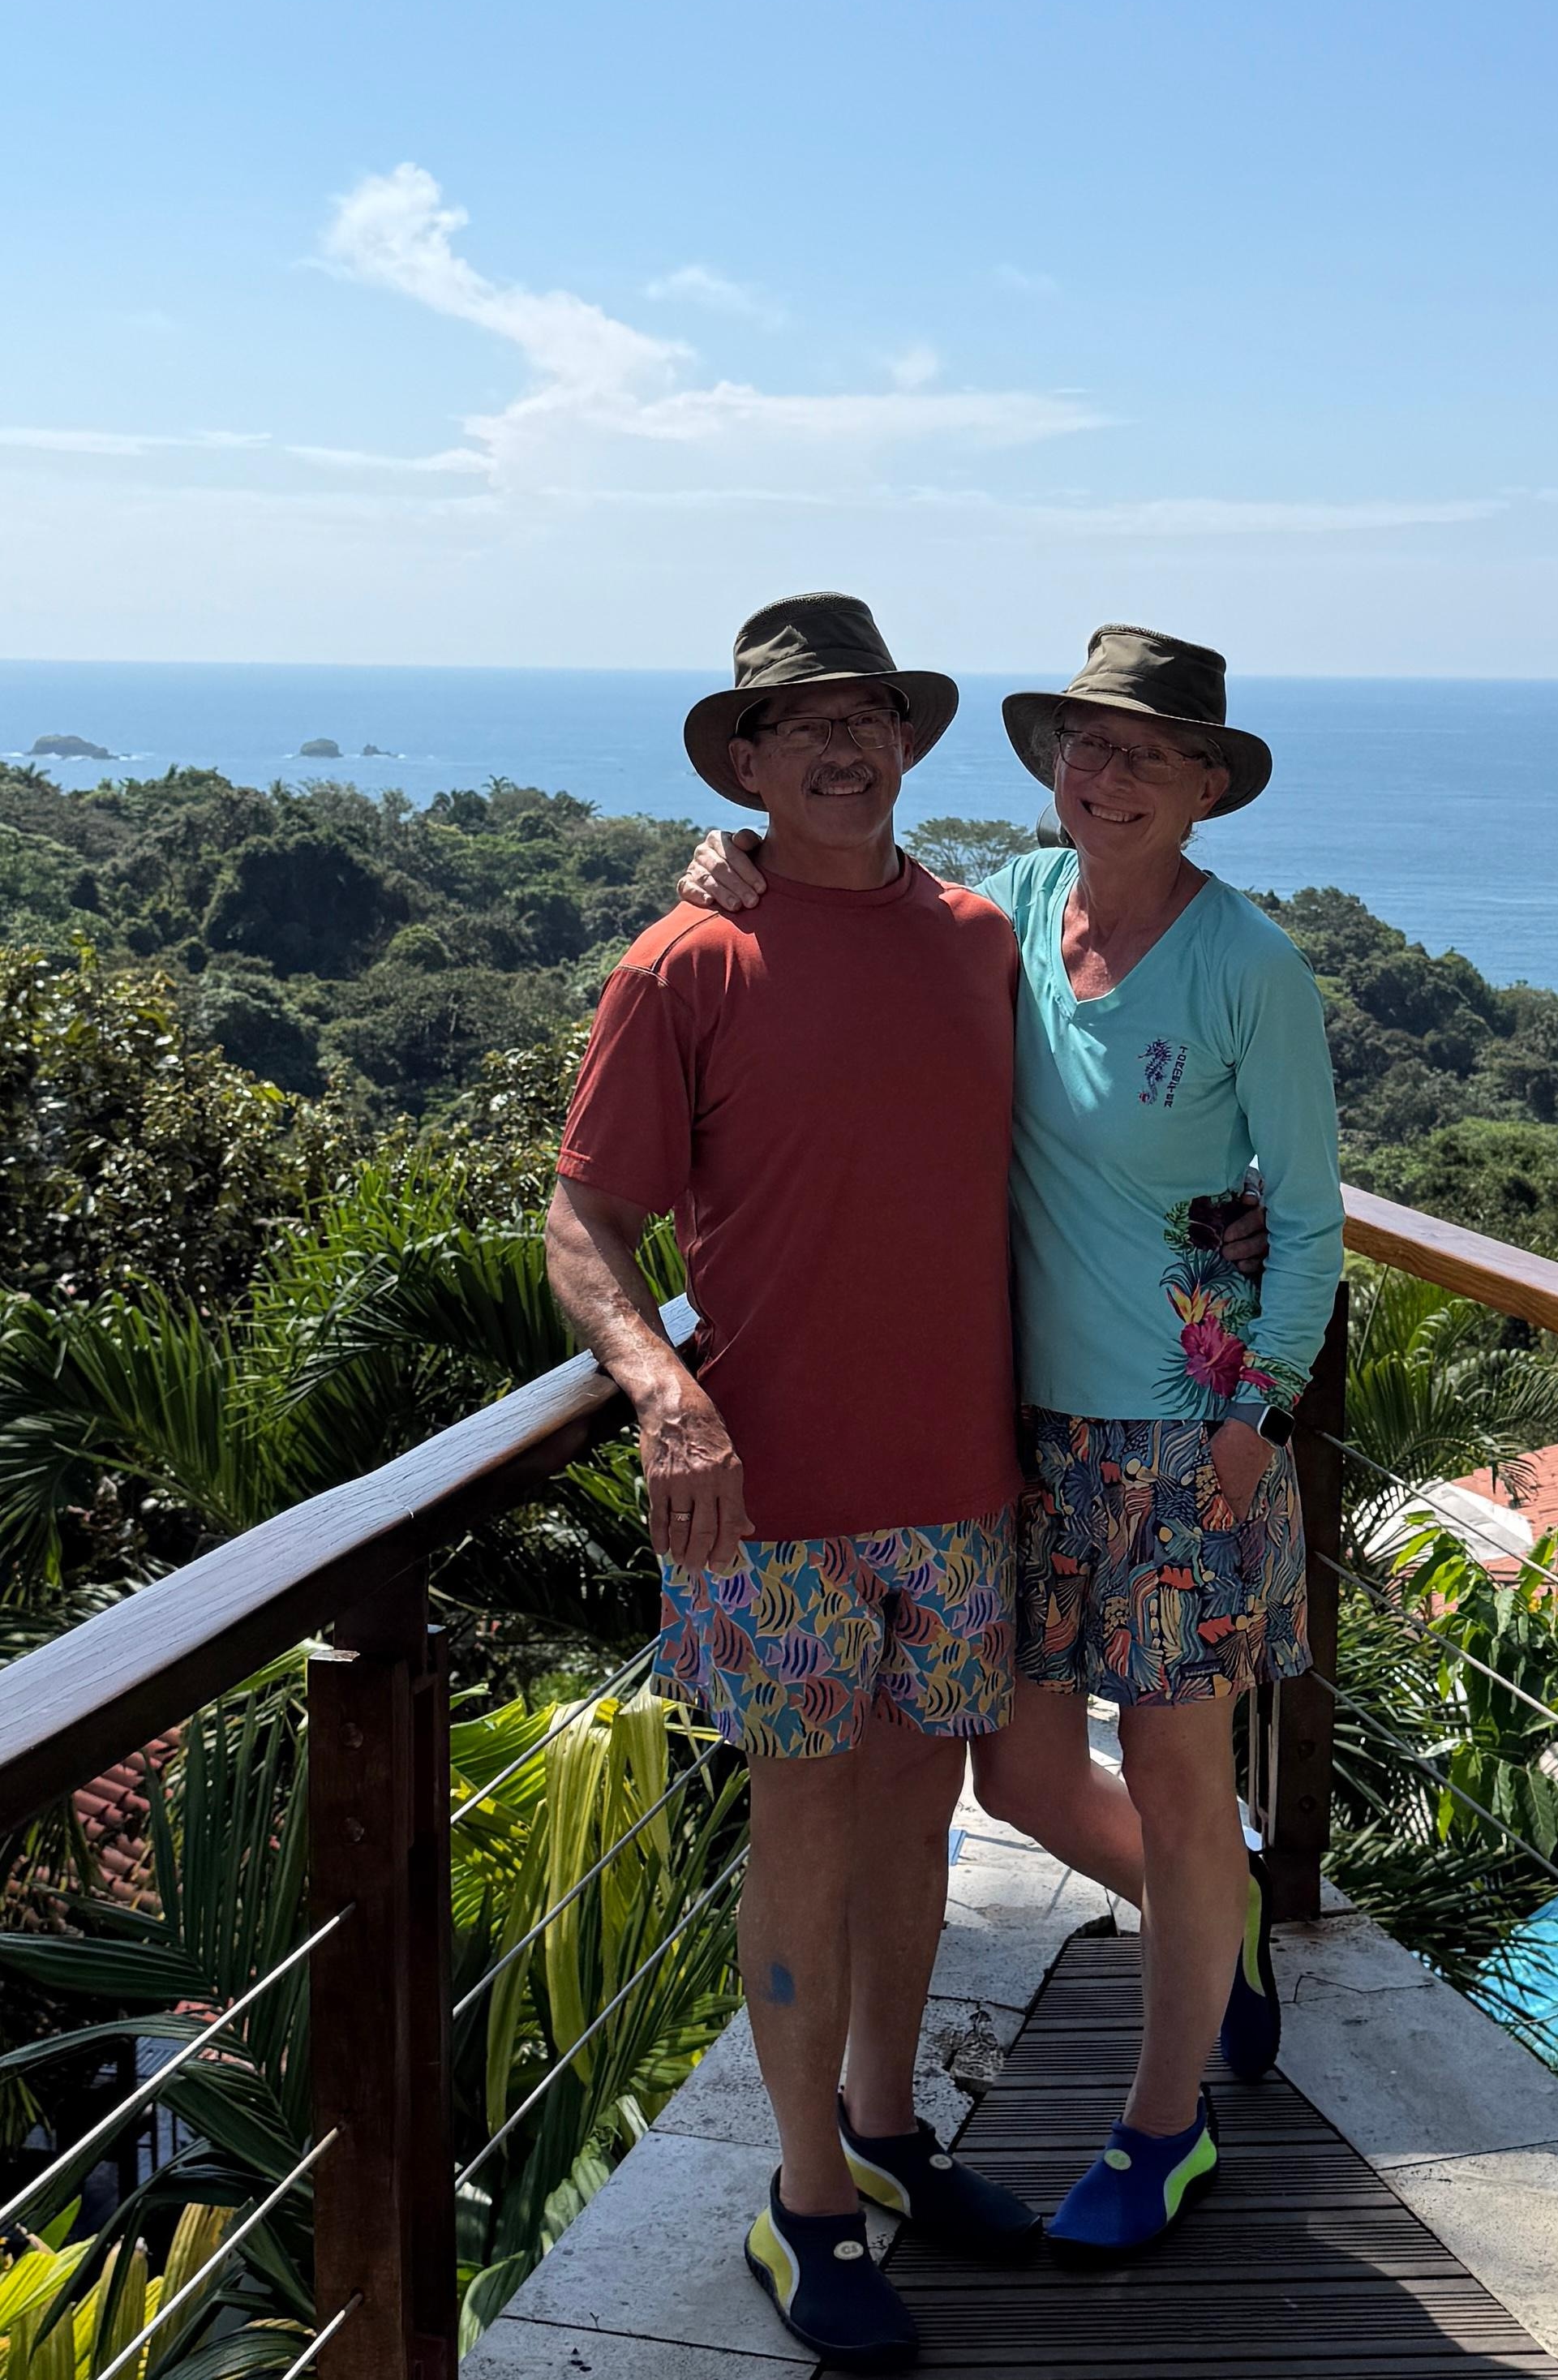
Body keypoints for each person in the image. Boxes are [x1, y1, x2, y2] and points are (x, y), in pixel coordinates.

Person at [684, 624, 1343, 2257]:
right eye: (1084, 744)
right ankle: (1218, 1918)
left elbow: (1313, 1219)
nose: (1105, 775)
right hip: (1016, 1426)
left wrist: (1255, 1412)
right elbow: (864, 925)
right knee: (1026, 1771)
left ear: (1206, 786)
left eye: (1147, 754)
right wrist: (727, 869)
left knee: (1179, 1777)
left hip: (1186, 1430)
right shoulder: (1017, 913)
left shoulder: (1247, 964)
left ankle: (1163, 2126)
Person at [546, 594, 1041, 2378]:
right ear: (746, 765)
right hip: (775, 1496)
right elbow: (583, 1219)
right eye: (803, 724)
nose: (846, 745)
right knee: (807, 1826)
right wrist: (661, 1386)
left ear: (908, 743)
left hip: (961, 1477)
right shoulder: (685, 962)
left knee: (917, 1815)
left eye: (871, 716)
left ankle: (890, 2129)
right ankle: (807, 2199)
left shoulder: (984, 938)